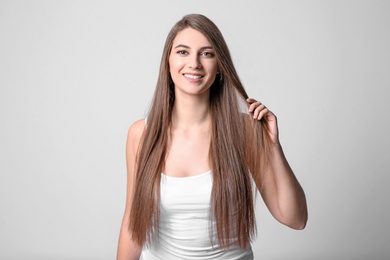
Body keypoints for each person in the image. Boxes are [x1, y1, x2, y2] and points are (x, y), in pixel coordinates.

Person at [117, 14, 307, 260]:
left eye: (207, 53)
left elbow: (295, 218)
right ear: (168, 61)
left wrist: (273, 147)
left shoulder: (245, 131)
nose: (194, 63)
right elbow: (133, 229)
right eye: (183, 52)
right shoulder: (141, 134)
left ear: (219, 66)